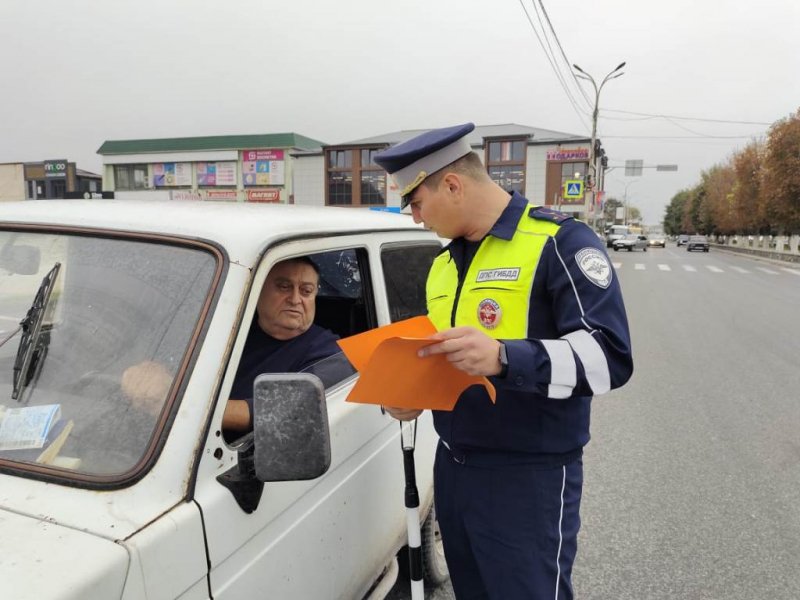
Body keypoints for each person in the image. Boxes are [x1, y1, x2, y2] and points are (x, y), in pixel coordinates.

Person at [373, 123, 633, 600]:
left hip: (528, 478)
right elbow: (440, 360)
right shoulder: (443, 264)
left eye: (415, 202)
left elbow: (609, 357)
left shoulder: (560, 243)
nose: (413, 218)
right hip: (454, 469)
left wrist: (503, 357)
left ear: (451, 185)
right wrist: (406, 396)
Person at [122, 257, 342, 434]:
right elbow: (175, 360)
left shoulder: (330, 354)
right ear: (257, 290)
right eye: (284, 286)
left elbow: (273, 412)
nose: (295, 299)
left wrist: (174, 403)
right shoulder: (227, 330)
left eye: (306, 291)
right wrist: (146, 375)